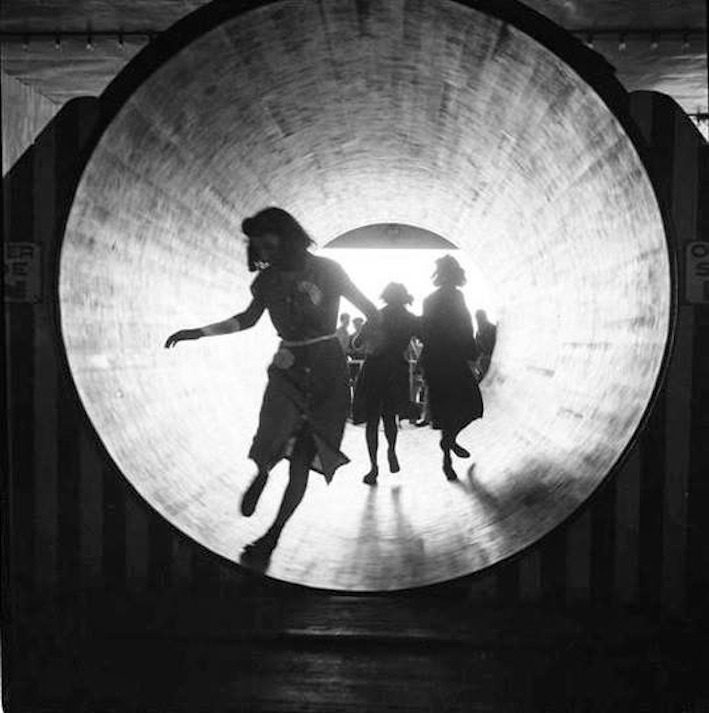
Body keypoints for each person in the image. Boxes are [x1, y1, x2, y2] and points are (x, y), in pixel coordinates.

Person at [164, 207, 378, 565]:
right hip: (288, 367)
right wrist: (198, 333)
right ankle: (263, 472)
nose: (264, 254)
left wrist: (365, 340)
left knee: (304, 458)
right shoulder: (266, 282)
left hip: (328, 371)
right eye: (259, 248)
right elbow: (247, 320)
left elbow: (371, 309)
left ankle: (273, 536)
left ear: (288, 237)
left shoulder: (329, 270)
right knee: (272, 435)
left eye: (269, 245)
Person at [420, 255, 483, 481]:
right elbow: (466, 326)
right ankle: (448, 449)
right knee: (471, 405)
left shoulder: (429, 300)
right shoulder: (457, 296)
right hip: (453, 359)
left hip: (436, 360)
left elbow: (426, 331)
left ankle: (448, 447)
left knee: (446, 410)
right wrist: (471, 353)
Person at [351, 282, 420, 485]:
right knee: (390, 417)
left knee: (372, 421)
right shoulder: (410, 319)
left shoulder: (376, 316)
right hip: (396, 370)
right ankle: (391, 450)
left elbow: (356, 343)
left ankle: (373, 468)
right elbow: (427, 335)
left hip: (374, 368)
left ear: (385, 296)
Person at [474, 309, 497, 381]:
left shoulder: (493, 328)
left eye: (481, 317)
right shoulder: (478, 334)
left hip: (494, 358)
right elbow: (478, 351)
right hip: (485, 362)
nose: (479, 320)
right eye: (478, 318)